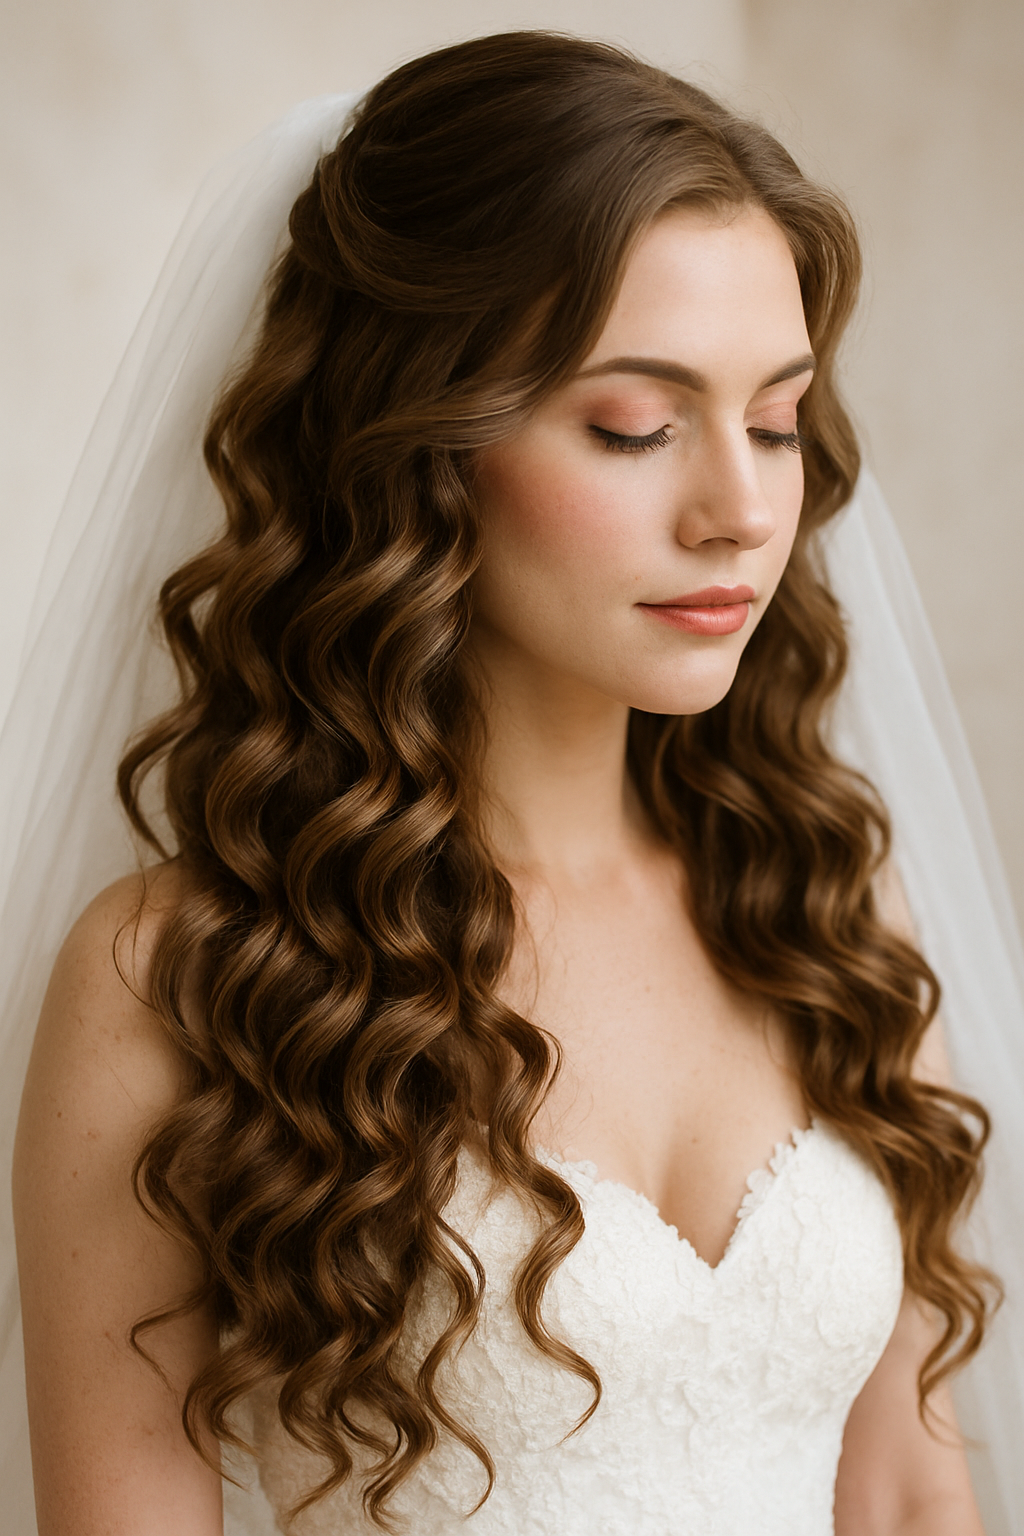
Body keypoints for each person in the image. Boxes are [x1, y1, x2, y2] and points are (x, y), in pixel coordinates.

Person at [4, 30, 1023, 1536]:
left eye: (776, 421)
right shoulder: (182, 977)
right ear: (416, 444)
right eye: (636, 425)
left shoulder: (822, 916)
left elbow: (909, 1492)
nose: (742, 511)